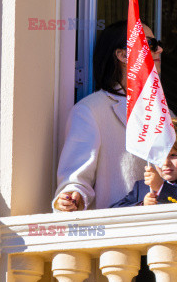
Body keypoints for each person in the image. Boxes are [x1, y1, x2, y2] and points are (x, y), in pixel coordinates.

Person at [53, 20, 163, 211]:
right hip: (119, 233)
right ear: (122, 55)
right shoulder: (91, 111)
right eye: (149, 44)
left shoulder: (165, 111)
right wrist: (71, 197)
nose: (159, 49)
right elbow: (75, 180)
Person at [110, 118, 177, 207]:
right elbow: (113, 210)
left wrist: (161, 188)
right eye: (159, 156)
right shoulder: (142, 187)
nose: (165, 163)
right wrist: (142, 205)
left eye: (174, 155)